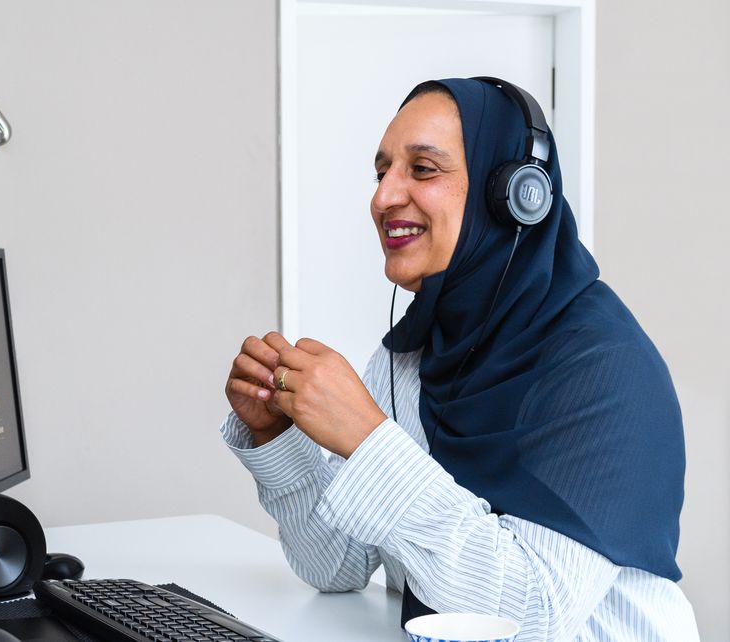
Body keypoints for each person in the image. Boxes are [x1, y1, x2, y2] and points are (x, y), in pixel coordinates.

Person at [221, 77, 699, 642]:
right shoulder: (407, 361)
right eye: (382, 173)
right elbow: (335, 566)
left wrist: (369, 440)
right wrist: (278, 437)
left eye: (422, 170)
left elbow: (531, 620)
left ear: (518, 196)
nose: (382, 198)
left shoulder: (602, 368)